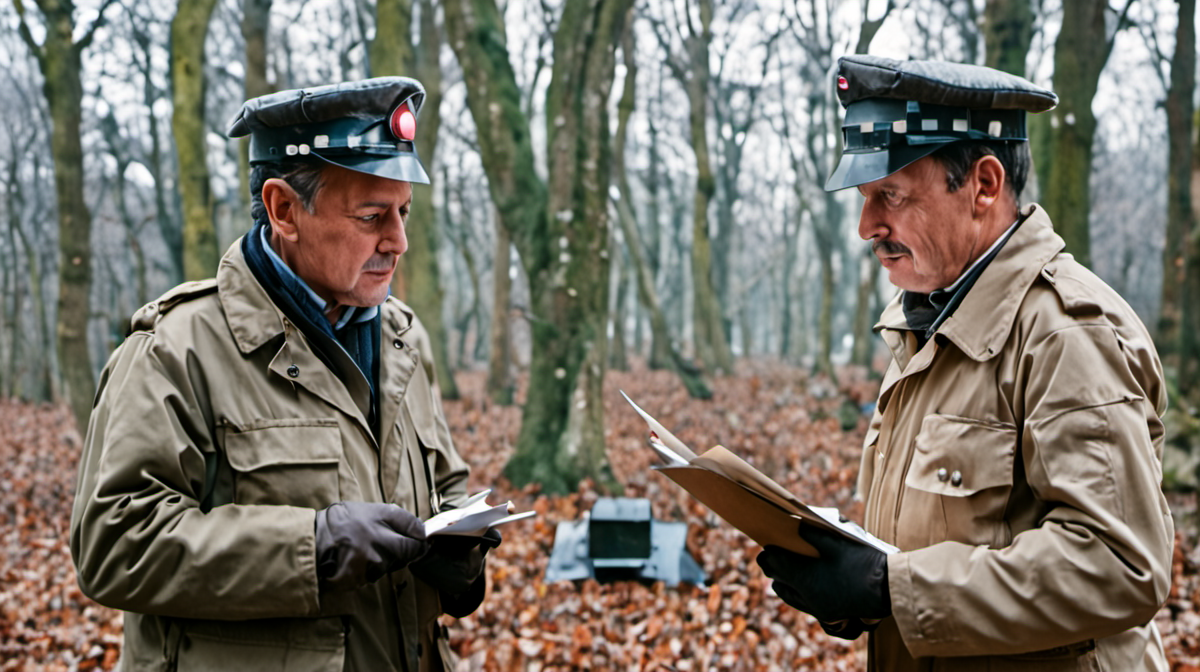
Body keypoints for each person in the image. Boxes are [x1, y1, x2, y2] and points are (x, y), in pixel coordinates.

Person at [757, 55, 1174, 671]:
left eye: (890, 196)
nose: (867, 225)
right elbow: (936, 541)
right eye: (867, 199)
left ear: (982, 185)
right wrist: (853, 582)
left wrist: (889, 588)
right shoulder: (927, 321)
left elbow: (1120, 564)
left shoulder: (1065, 332)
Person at [70, 77, 497, 672]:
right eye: (372, 216)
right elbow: (113, 545)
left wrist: (462, 561)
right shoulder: (176, 350)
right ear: (284, 210)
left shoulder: (402, 336)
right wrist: (310, 547)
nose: (398, 241)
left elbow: (445, 487)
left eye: (403, 212)